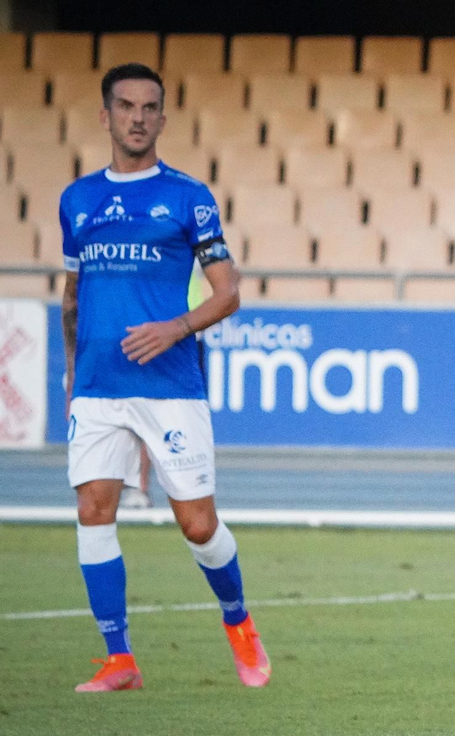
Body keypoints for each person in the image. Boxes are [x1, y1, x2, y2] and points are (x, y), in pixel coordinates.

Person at [60, 62, 269, 692]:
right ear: (105, 115)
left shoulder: (187, 197)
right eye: (125, 106)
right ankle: (119, 658)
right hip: (98, 385)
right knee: (93, 510)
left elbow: (228, 293)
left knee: (198, 526)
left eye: (149, 107)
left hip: (170, 382)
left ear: (162, 118)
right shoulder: (77, 200)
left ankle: (239, 622)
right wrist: (72, 368)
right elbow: (73, 294)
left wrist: (175, 328)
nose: (137, 117)